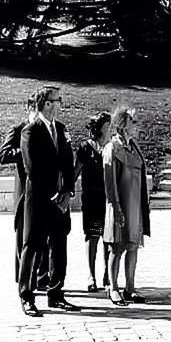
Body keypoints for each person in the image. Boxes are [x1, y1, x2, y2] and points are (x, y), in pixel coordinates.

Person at [18, 86, 78, 316]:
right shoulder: (31, 131)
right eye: (56, 100)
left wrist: (68, 192)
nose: (59, 104)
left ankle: (56, 294)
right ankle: (26, 295)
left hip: (59, 200)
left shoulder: (61, 129)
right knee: (32, 246)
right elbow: (32, 168)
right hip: (39, 200)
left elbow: (68, 163)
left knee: (59, 246)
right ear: (46, 104)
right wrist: (52, 193)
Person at [103, 106, 150, 306]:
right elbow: (110, 182)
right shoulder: (112, 148)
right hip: (120, 205)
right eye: (133, 121)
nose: (136, 125)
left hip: (135, 206)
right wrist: (117, 207)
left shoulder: (134, 146)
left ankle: (130, 287)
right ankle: (113, 288)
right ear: (123, 125)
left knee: (133, 247)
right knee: (116, 247)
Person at [0, 92, 37, 285]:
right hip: (24, 193)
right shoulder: (19, 129)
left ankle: (41, 278)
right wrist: (24, 151)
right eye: (36, 109)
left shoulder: (49, 131)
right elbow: (3, 156)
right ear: (29, 109)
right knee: (23, 238)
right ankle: (23, 279)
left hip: (44, 191)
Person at [74, 112, 112, 292]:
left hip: (108, 198)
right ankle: (91, 275)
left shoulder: (112, 147)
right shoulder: (85, 148)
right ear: (101, 127)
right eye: (107, 124)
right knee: (92, 236)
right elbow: (76, 172)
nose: (110, 128)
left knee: (108, 238)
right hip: (91, 198)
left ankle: (107, 274)